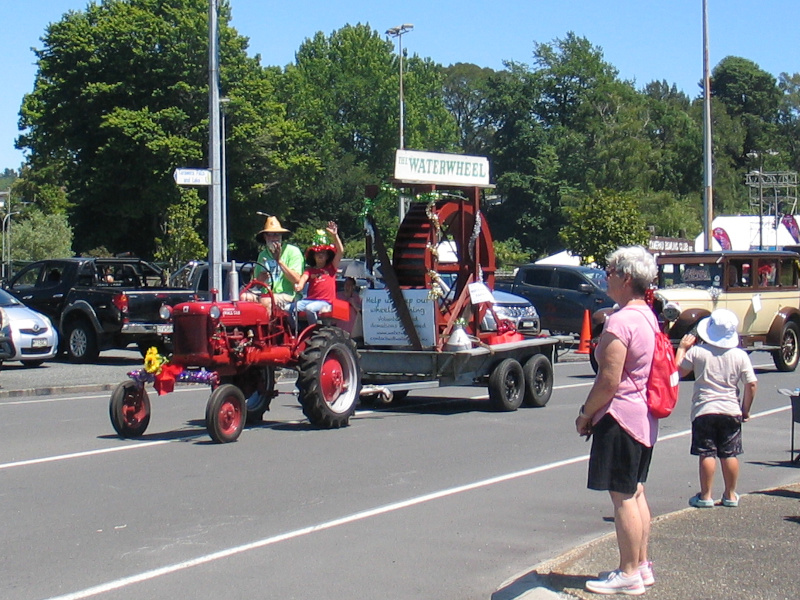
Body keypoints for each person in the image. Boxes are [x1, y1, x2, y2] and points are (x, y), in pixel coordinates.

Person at [575, 245, 658, 596]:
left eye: (609, 272)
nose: (605, 277)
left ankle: (628, 573)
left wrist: (585, 413)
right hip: (644, 416)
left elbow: (608, 379)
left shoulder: (621, 321)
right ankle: (640, 565)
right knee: (635, 491)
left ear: (626, 278)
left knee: (622, 496)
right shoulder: (647, 316)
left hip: (620, 415)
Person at [675, 309, 757, 509]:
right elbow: (751, 384)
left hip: (704, 408)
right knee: (729, 453)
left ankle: (706, 495)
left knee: (707, 453)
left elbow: (677, 370)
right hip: (730, 408)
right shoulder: (739, 355)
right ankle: (730, 494)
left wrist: (682, 348)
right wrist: (745, 409)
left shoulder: (698, 352)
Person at [243, 216, 304, 314]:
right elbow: (254, 285)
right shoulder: (262, 254)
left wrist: (279, 261)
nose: (273, 238)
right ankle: (247, 328)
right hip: (265, 293)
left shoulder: (293, 251)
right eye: (269, 235)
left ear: (281, 236)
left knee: (266, 300)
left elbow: (297, 280)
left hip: (288, 295)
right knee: (244, 297)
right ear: (265, 237)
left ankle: (269, 329)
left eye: (276, 234)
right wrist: (260, 280)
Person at [294, 222, 343, 324]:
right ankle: (293, 331)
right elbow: (303, 278)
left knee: (309, 308)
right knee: (288, 308)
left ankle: (313, 329)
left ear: (327, 256)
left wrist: (334, 235)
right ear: (313, 256)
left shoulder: (331, 268)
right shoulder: (310, 270)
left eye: (323, 253)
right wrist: (299, 286)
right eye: (318, 253)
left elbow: (340, 251)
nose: (320, 255)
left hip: (325, 302)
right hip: (310, 300)